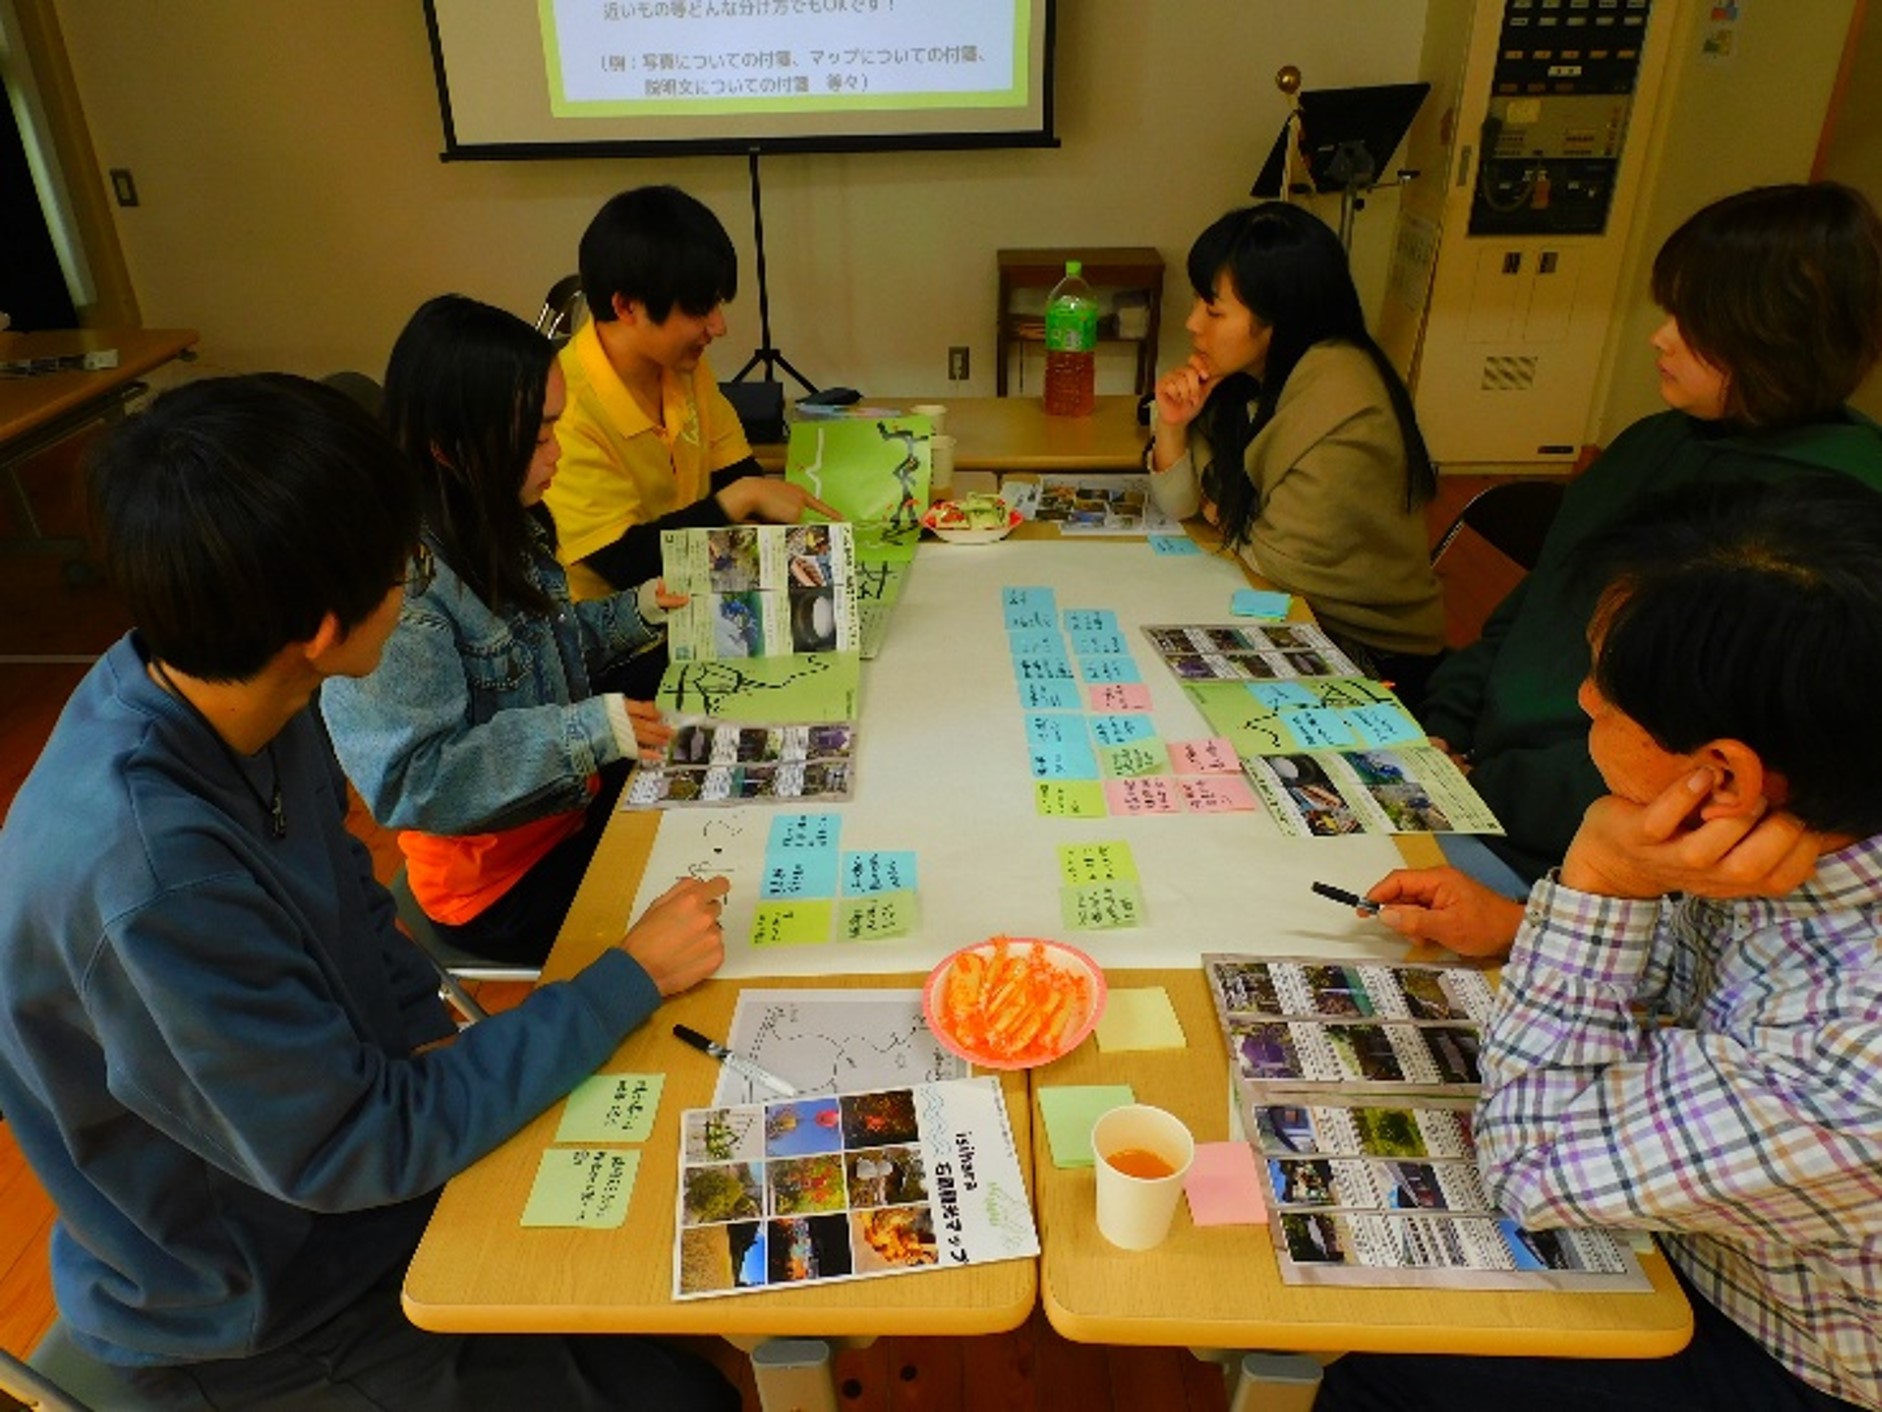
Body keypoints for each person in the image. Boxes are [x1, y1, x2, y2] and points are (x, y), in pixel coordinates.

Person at [0, 375, 737, 1409]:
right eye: (408, 568)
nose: (416, 586)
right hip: (262, 1311)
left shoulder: (240, 686)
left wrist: (435, 1047)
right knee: (687, 1388)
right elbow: (359, 1145)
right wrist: (626, 977)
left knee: (683, 1280)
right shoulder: (155, 878)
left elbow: (358, 909)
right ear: (318, 623)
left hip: (349, 1190)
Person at [1317, 476, 1882, 1411]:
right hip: (1719, 1219)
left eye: (1606, 695)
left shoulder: (1846, 1057)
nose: (1582, 698)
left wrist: (1600, 879)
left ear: (1723, 774)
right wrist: (1521, 926)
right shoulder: (1804, 825)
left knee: (1389, 1365)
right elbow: (1701, 992)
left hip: (1787, 1350)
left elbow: (1534, 1165)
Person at [1408, 181, 1882, 909]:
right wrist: (1441, 730)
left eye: (1695, 322)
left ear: (1780, 335)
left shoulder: (1807, 531)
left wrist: (1485, 787)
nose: (1660, 338)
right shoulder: (1653, 441)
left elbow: (1675, 763)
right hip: (1481, 792)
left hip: (1581, 857)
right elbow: (1534, 605)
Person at [323, 295, 679, 965]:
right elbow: (412, 782)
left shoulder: (496, 514)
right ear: (449, 447)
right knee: (706, 898)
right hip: (501, 890)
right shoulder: (402, 590)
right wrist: (590, 731)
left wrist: (639, 611)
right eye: (539, 437)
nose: (557, 453)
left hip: (568, 807)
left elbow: (541, 653)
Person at [1146, 201, 1444, 702]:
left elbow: (1280, 562)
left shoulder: (1344, 404)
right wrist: (1174, 426)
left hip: (1366, 652)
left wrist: (1220, 510)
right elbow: (1183, 505)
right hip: (1288, 610)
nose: (1193, 323)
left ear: (1279, 316)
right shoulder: (1249, 379)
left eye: (1214, 310)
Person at [543, 185, 836, 693]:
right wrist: (739, 500)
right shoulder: (566, 406)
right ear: (627, 306)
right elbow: (624, 562)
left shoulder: (682, 367)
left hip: (695, 604)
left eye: (717, 304)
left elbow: (736, 472)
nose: (718, 327)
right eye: (700, 309)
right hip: (612, 649)